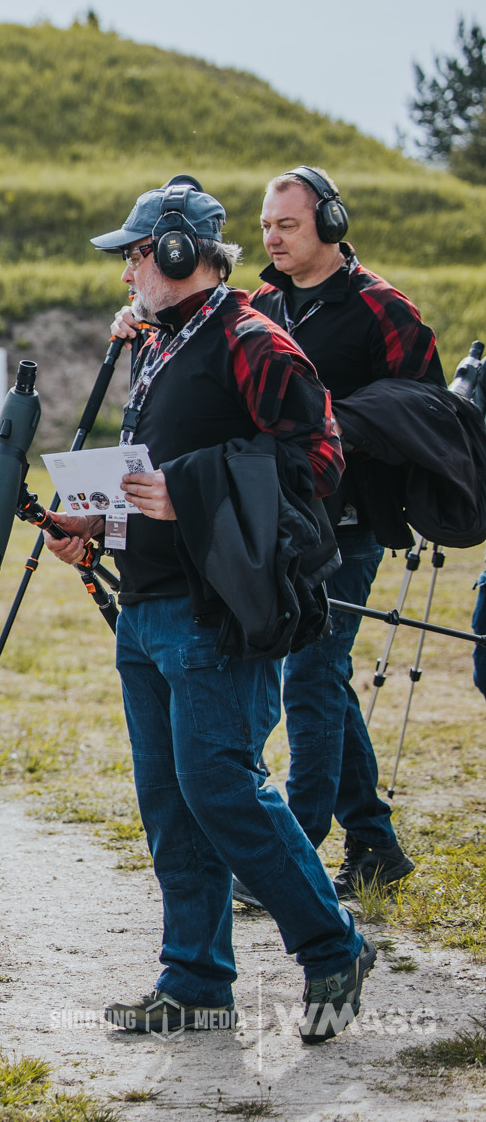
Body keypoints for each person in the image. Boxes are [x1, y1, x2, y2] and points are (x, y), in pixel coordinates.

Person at [49, 178, 374, 1044]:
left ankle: (334, 944)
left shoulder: (252, 340)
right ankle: (194, 979)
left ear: (179, 252)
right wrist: (95, 525)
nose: (127, 273)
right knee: (169, 803)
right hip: (147, 604)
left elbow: (318, 461)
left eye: (136, 255)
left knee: (221, 789)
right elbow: (152, 472)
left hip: (215, 611)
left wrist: (188, 491)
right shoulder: (160, 344)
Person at [248, 168, 438, 899]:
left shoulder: (382, 307)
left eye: (287, 225)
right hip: (281, 520)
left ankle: (291, 855)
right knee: (321, 672)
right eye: (267, 226)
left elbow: (425, 410)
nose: (273, 239)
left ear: (330, 222)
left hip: (353, 525)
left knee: (310, 672)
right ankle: (375, 843)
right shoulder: (260, 306)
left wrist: (343, 424)